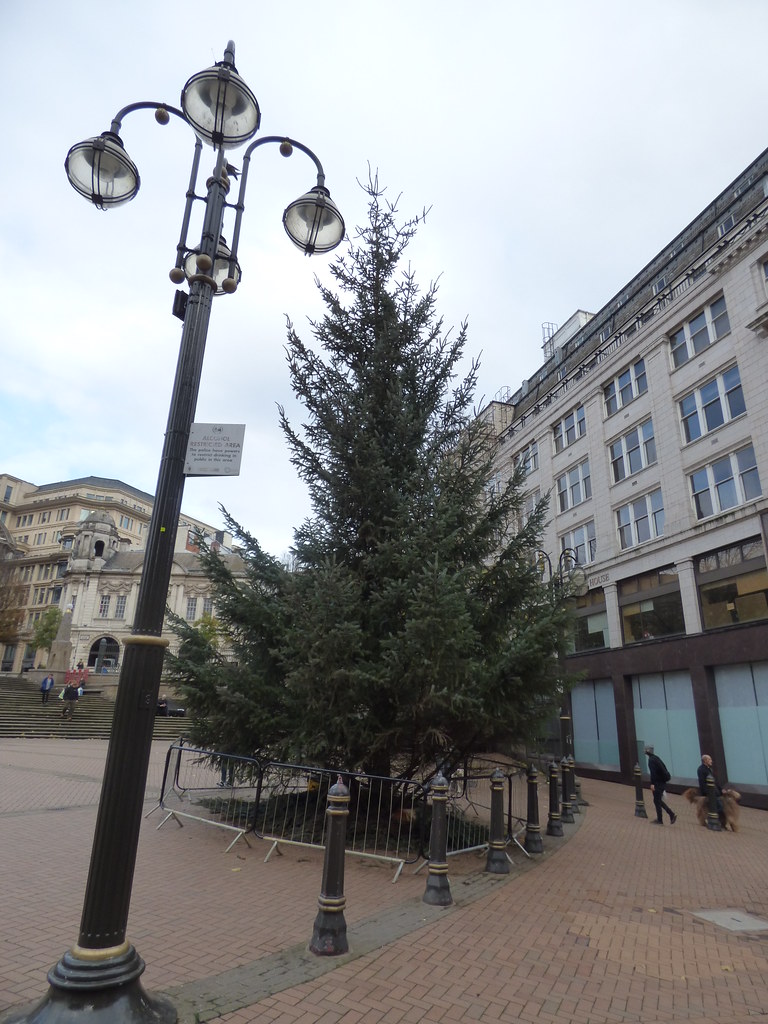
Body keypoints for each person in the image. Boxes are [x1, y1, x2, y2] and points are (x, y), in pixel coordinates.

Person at [645, 745, 676, 825]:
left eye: (645, 749)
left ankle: (661, 819)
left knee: (656, 800)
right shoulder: (656, 758)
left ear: (647, 751)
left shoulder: (651, 760)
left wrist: (652, 784)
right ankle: (670, 814)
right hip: (662, 782)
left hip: (658, 783)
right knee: (657, 800)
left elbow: (653, 773)